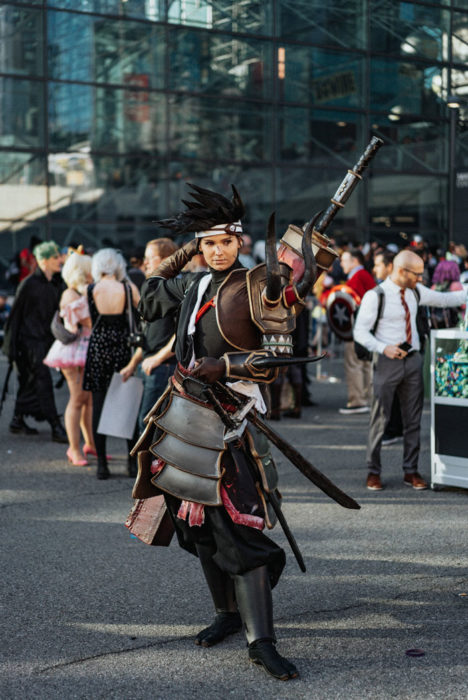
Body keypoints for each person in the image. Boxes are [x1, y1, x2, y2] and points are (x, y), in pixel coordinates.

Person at [135, 184, 320, 681]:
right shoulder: (193, 284)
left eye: (224, 242)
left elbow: (282, 355)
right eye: (208, 243)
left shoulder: (260, 284)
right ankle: (226, 615)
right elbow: (150, 296)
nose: (216, 251)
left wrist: (227, 363)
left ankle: (263, 641)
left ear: (240, 243)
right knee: (198, 525)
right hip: (180, 418)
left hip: (231, 421)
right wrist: (183, 255)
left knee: (240, 530)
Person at [354, 250, 466, 491]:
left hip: (413, 360)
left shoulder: (415, 291)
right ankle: (373, 472)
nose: (420, 278)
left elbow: (445, 299)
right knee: (380, 419)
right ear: (401, 271)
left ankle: (411, 470)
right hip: (387, 361)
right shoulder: (376, 296)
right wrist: (384, 348)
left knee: (413, 419)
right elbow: (359, 332)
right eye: (416, 274)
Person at [82, 249, 140, 479]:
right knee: (128, 404)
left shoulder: (91, 289)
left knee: (98, 405)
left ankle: (101, 466)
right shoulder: (126, 287)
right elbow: (143, 309)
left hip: (98, 346)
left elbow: (88, 318)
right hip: (122, 346)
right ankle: (131, 462)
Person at [3, 241, 67, 441]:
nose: (59, 260)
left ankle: (17, 419)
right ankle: (56, 426)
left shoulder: (56, 282)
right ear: (43, 261)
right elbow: (14, 317)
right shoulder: (29, 284)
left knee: (29, 382)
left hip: (45, 341)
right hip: (28, 344)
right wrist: (11, 348)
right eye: (55, 257)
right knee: (42, 383)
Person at [120, 238, 178, 433]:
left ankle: (154, 464)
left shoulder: (174, 289)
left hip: (163, 368)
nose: (145, 263)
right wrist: (132, 364)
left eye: (150, 258)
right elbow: (147, 333)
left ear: (166, 260)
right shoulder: (152, 287)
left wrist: (157, 359)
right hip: (148, 366)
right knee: (143, 425)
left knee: (148, 425)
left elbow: (183, 333)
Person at [44, 252, 96, 466]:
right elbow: (88, 323)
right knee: (77, 399)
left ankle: (89, 444)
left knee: (88, 399)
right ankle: (74, 448)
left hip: (86, 348)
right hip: (73, 351)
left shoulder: (80, 292)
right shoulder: (71, 294)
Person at [339, 248, 376, 415]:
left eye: (344, 260)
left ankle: (357, 401)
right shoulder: (363, 276)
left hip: (356, 328)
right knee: (365, 364)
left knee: (354, 363)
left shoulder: (357, 277)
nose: (341, 263)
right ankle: (366, 398)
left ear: (355, 261)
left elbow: (354, 303)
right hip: (366, 328)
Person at [429, 259, 464, 328]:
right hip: (455, 324)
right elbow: (463, 306)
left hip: (437, 324)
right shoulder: (456, 285)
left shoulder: (433, 287)